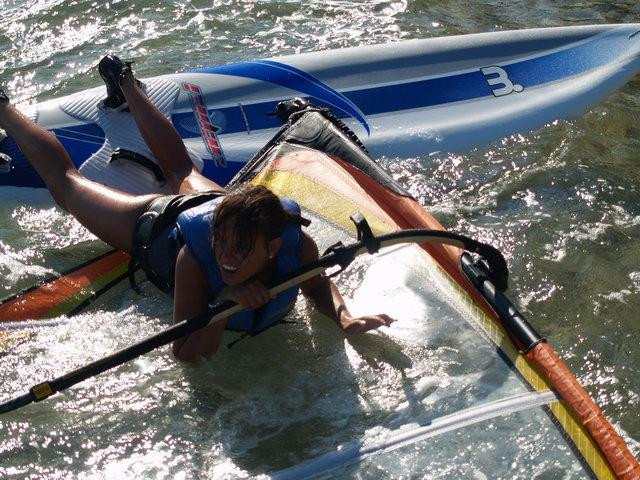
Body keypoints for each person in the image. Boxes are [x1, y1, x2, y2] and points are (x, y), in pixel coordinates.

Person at [0, 56, 395, 363]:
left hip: (220, 208)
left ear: (273, 247)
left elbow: (317, 284)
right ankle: (6, 108)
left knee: (180, 167)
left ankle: (125, 83)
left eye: (241, 249)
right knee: (68, 185)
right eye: (222, 243)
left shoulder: (296, 243)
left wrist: (345, 317)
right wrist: (223, 306)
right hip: (156, 225)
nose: (225, 256)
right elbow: (186, 352)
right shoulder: (196, 257)